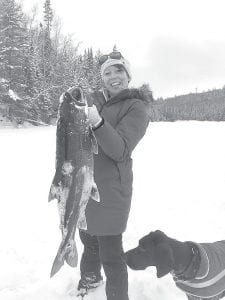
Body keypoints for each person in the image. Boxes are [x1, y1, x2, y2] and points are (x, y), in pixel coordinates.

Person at [77, 50, 153, 300]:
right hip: (84, 185)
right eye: (107, 73)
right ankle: (89, 278)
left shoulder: (136, 107)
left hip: (111, 191)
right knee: (88, 241)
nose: (113, 76)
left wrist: (98, 123)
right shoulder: (94, 100)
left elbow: (120, 150)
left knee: (111, 254)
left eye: (118, 70)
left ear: (128, 75)